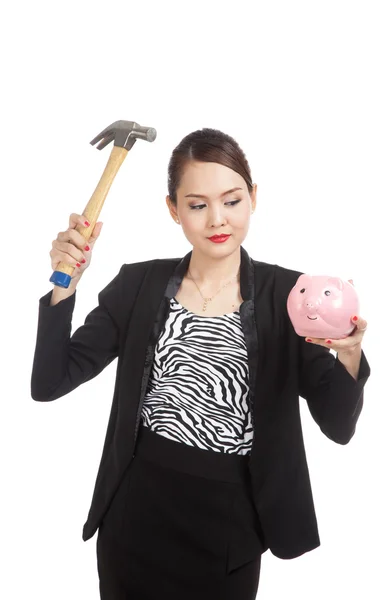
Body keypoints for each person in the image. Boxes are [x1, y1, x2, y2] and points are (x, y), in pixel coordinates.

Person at [31, 128, 371, 599]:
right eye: (197, 205)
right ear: (173, 209)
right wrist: (64, 284)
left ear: (253, 197)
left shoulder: (292, 296)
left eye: (232, 201)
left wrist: (349, 350)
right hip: (135, 516)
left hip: (229, 526)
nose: (217, 219)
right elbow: (49, 382)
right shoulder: (137, 285)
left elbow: (338, 425)